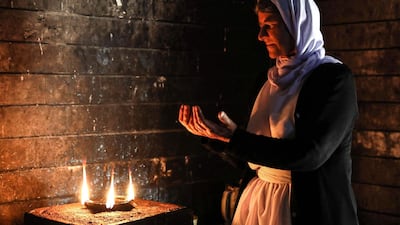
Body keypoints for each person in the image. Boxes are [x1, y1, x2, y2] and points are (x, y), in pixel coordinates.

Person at [178, 0, 359, 224]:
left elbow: (310, 155)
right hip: (258, 206)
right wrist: (215, 137)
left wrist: (235, 138)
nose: (260, 36)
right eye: (260, 27)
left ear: (296, 25)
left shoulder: (333, 79)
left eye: (269, 26)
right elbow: (254, 157)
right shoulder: (267, 80)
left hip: (306, 210)